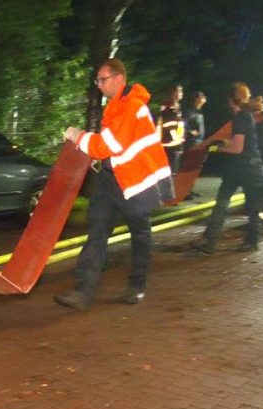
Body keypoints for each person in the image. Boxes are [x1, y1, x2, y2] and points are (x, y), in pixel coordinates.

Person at [54, 58, 172, 312]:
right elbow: (112, 146)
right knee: (97, 232)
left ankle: (137, 286)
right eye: (97, 80)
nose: (98, 85)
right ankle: (83, 292)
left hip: (135, 182)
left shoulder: (132, 107)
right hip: (112, 180)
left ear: (119, 79)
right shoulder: (117, 106)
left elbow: (107, 146)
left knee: (140, 235)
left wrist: (77, 136)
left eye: (102, 79)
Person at [189, 82, 263, 254]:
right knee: (252, 207)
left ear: (230, 100)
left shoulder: (240, 118)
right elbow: (243, 143)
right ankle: (251, 242)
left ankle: (209, 241)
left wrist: (216, 148)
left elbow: (237, 148)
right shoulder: (247, 116)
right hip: (253, 167)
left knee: (222, 203)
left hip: (242, 168)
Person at [182, 90, 207, 200]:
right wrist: (191, 131)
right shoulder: (189, 112)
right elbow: (183, 124)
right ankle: (185, 192)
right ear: (196, 99)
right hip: (192, 143)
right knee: (189, 168)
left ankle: (190, 190)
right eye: (202, 97)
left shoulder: (198, 112)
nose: (204, 99)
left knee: (195, 168)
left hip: (199, 142)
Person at [158, 84, 186, 175]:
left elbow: (180, 125)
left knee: (176, 170)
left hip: (178, 143)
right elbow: (166, 125)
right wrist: (176, 137)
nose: (181, 93)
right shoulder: (167, 107)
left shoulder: (179, 108)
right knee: (171, 171)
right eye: (179, 91)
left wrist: (181, 136)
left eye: (181, 91)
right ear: (173, 93)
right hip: (170, 144)